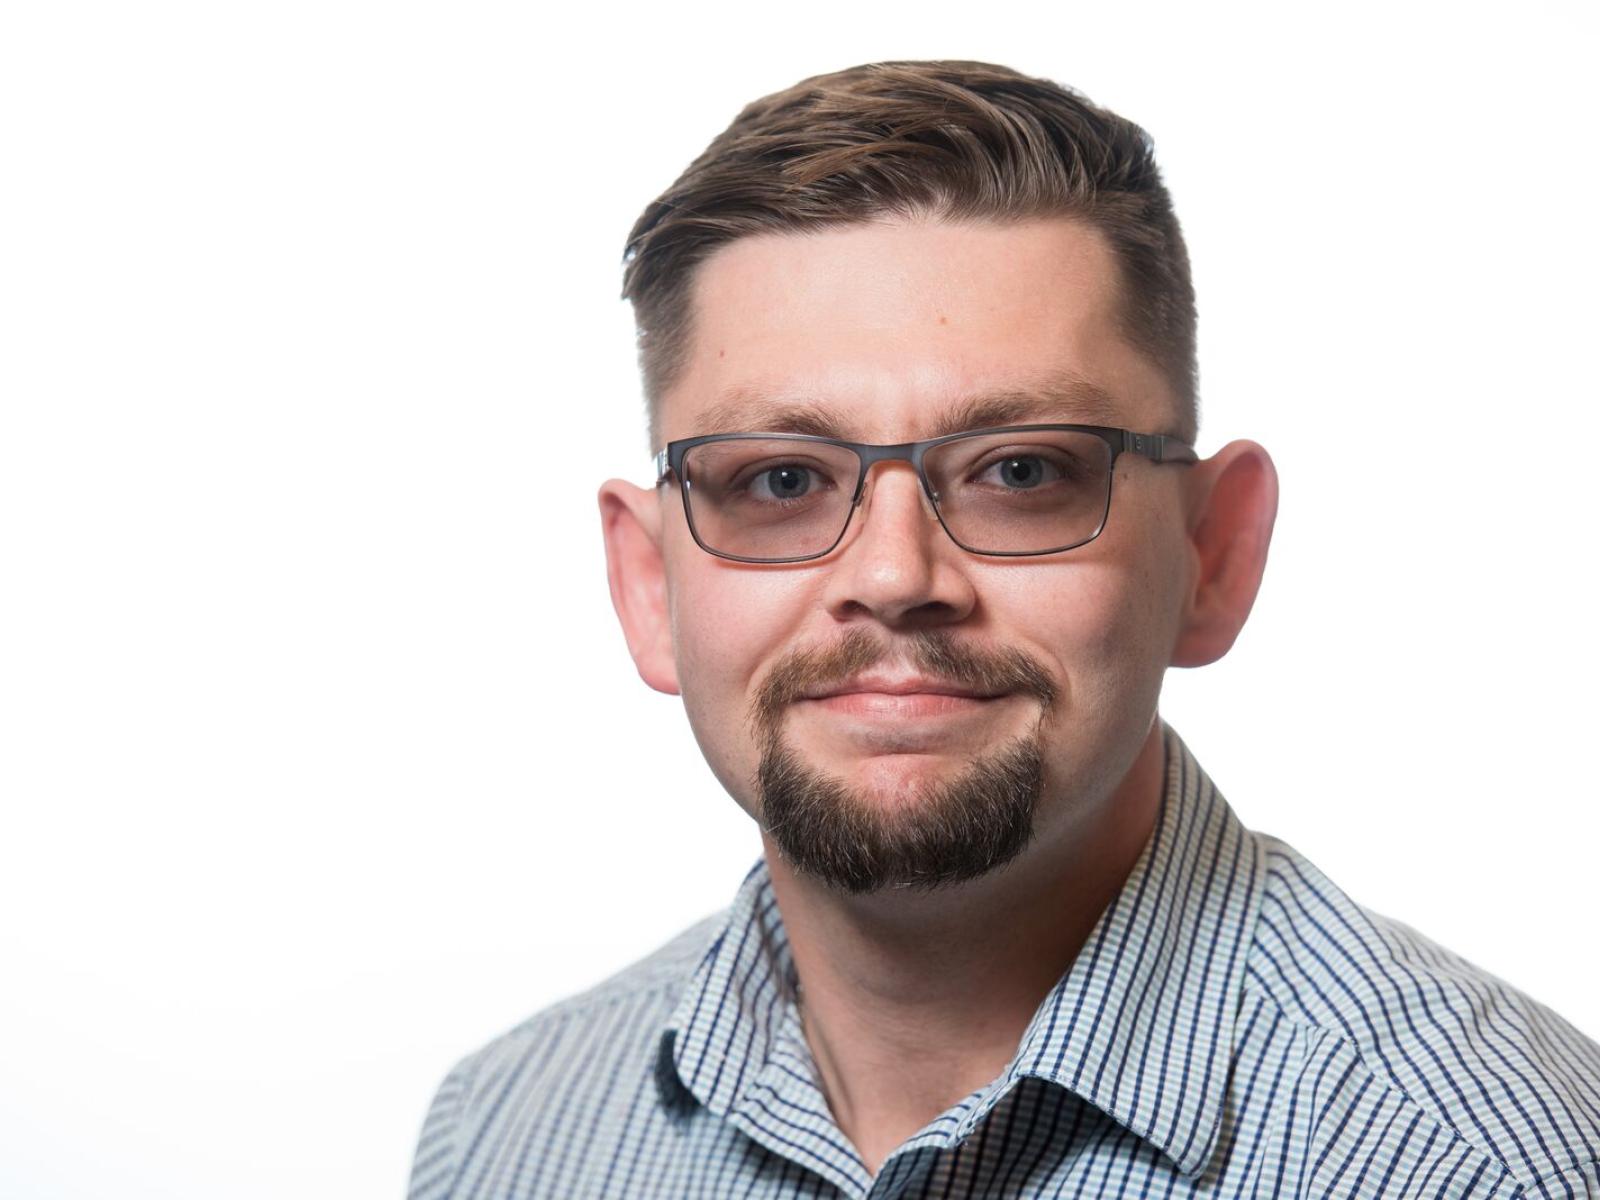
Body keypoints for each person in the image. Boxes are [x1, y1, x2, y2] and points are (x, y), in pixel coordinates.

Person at [407, 60, 1600, 1199]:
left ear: (1212, 554)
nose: (892, 574)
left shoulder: (1493, 1165)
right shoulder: (507, 1133)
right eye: (778, 481)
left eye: (1019, 470)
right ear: (650, 587)